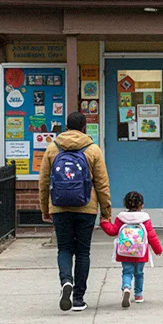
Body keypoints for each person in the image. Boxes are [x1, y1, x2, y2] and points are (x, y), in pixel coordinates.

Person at [39, 112, 112, 312]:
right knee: (82, 252)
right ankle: (78, 299)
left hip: (59, 207)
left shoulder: (53, 148)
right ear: (84, 127)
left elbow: (44, 182)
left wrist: (45, 209)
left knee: (64, 249)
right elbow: (102, 184)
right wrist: (106, 212)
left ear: (65, 126)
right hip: (86, 207)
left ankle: (66, 282)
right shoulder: (93, 150)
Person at [100, 191, 163, 308]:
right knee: (139, 274)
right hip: (140, 253)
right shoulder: (145, 218)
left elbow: (112, 231)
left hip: (125, 252)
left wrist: (104, 223)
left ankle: (126, 287)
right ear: (142, 205)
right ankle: (138, 295)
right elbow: (151, 235)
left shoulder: (121, 218)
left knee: (127, 272)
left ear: (126, 205)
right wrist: (157, 249)